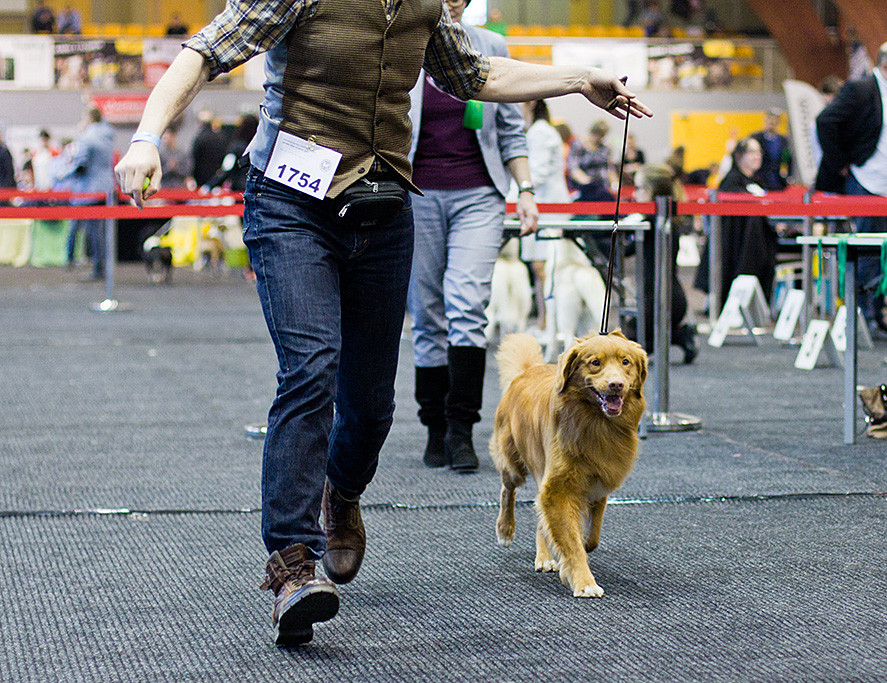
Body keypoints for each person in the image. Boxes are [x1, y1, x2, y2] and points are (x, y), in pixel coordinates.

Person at [113, 0, 650, 647]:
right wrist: (146, 137)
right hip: (289, 206)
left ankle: (341, 491)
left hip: (381, 209)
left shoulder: (425, 5)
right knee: (310, 370)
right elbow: (205, 51)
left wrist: (578, 79)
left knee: (369, 405)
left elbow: (473, 73)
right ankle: (292, 566)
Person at [406, 0, 538, 473]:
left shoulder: (490, 45)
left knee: (467, 305)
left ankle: (461, 429)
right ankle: (433, 428)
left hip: (480, 194)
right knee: (426, 312)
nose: (453, 2)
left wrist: (526, 190)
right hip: (415, 194)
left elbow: (511, 131)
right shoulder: (403, 41)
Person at [815, 40, 887, 341]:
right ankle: (863, 317)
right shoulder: (860, 89)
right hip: (867, 182)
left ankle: (878, 316)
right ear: (884, 66)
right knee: (869, 252)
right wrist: (841, 164)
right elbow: (825, 121)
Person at [622, 164, 697, 363]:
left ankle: (679, 335)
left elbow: (625, 250)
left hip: (657, 300)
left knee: (627, 348)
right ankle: (680, 335)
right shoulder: (668, 218)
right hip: (671, 297)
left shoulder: (651, 221)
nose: (635, 193)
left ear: (650, 191)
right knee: (635, 343)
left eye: (638, 188)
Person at [695, 137, 778, 304]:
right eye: (752, 152)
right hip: (733, 249)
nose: (757, 156)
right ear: (739, 155)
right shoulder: (731, 181)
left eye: (759, 152)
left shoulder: (757, 180)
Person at [519, 99, 572, 337]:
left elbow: (535, 174)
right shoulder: (538, 130)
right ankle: (545, 324)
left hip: (547, 208)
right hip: (542, 207)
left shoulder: (540, 132)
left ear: (530, 103)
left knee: (547, 269)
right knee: (541, 269)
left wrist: (512, 196)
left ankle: (553, 327)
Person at [61, 106, 114, 279]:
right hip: (106, 188)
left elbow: (81, 165)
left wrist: (64, 173)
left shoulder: (86, 138)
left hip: (89, 190)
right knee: (101, 232)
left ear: (89, 119)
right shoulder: (108, 136)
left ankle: (97, 269)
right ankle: (102, 268)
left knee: (92, 232)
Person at [568, 119, 615, 203]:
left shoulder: (605, 147)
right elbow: (573, 168)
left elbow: (609, 168)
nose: (599, 138)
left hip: (603, 188)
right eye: (598, 134)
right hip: (585, 188)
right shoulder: (578, 145)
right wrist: (588, 182)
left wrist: (615, 184)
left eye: (602, 135)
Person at [752, 109, 790, 191]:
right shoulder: (756, 138)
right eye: (770, 119)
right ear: (765, 120)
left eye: (775, 119)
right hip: (760, 181)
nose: (772, 122)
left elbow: (788, 159)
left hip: (778, 182)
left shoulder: (783, 140)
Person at [191, 109, 229, 188]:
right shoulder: (221, 137)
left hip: (201, 177)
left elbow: (194, 157)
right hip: (217, 177)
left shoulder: (200, 138)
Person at [158, 122, 193, 188]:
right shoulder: (161, 154)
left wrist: (176, 168)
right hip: (165, 188)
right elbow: (158, 173)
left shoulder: (182, 154)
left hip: (180, 188)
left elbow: (188, 171)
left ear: (173, 135)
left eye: (168, 134)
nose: (165, 137)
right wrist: (168, 167)